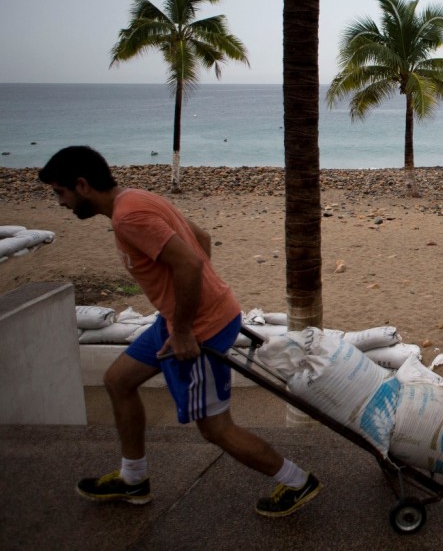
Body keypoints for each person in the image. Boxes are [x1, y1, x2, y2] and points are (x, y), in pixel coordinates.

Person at [38, 146, 319, 518]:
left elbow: (189, 261)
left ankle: (298, 481)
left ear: (82, 185)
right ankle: (133, 477)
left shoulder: (129, 217)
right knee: (118, 381)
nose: (61, 203)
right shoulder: (134, 198)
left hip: (198, 330)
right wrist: (186, 306)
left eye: (60, 192)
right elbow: (199, 239)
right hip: (175, 321)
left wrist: (188, 327)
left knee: (215, 428)